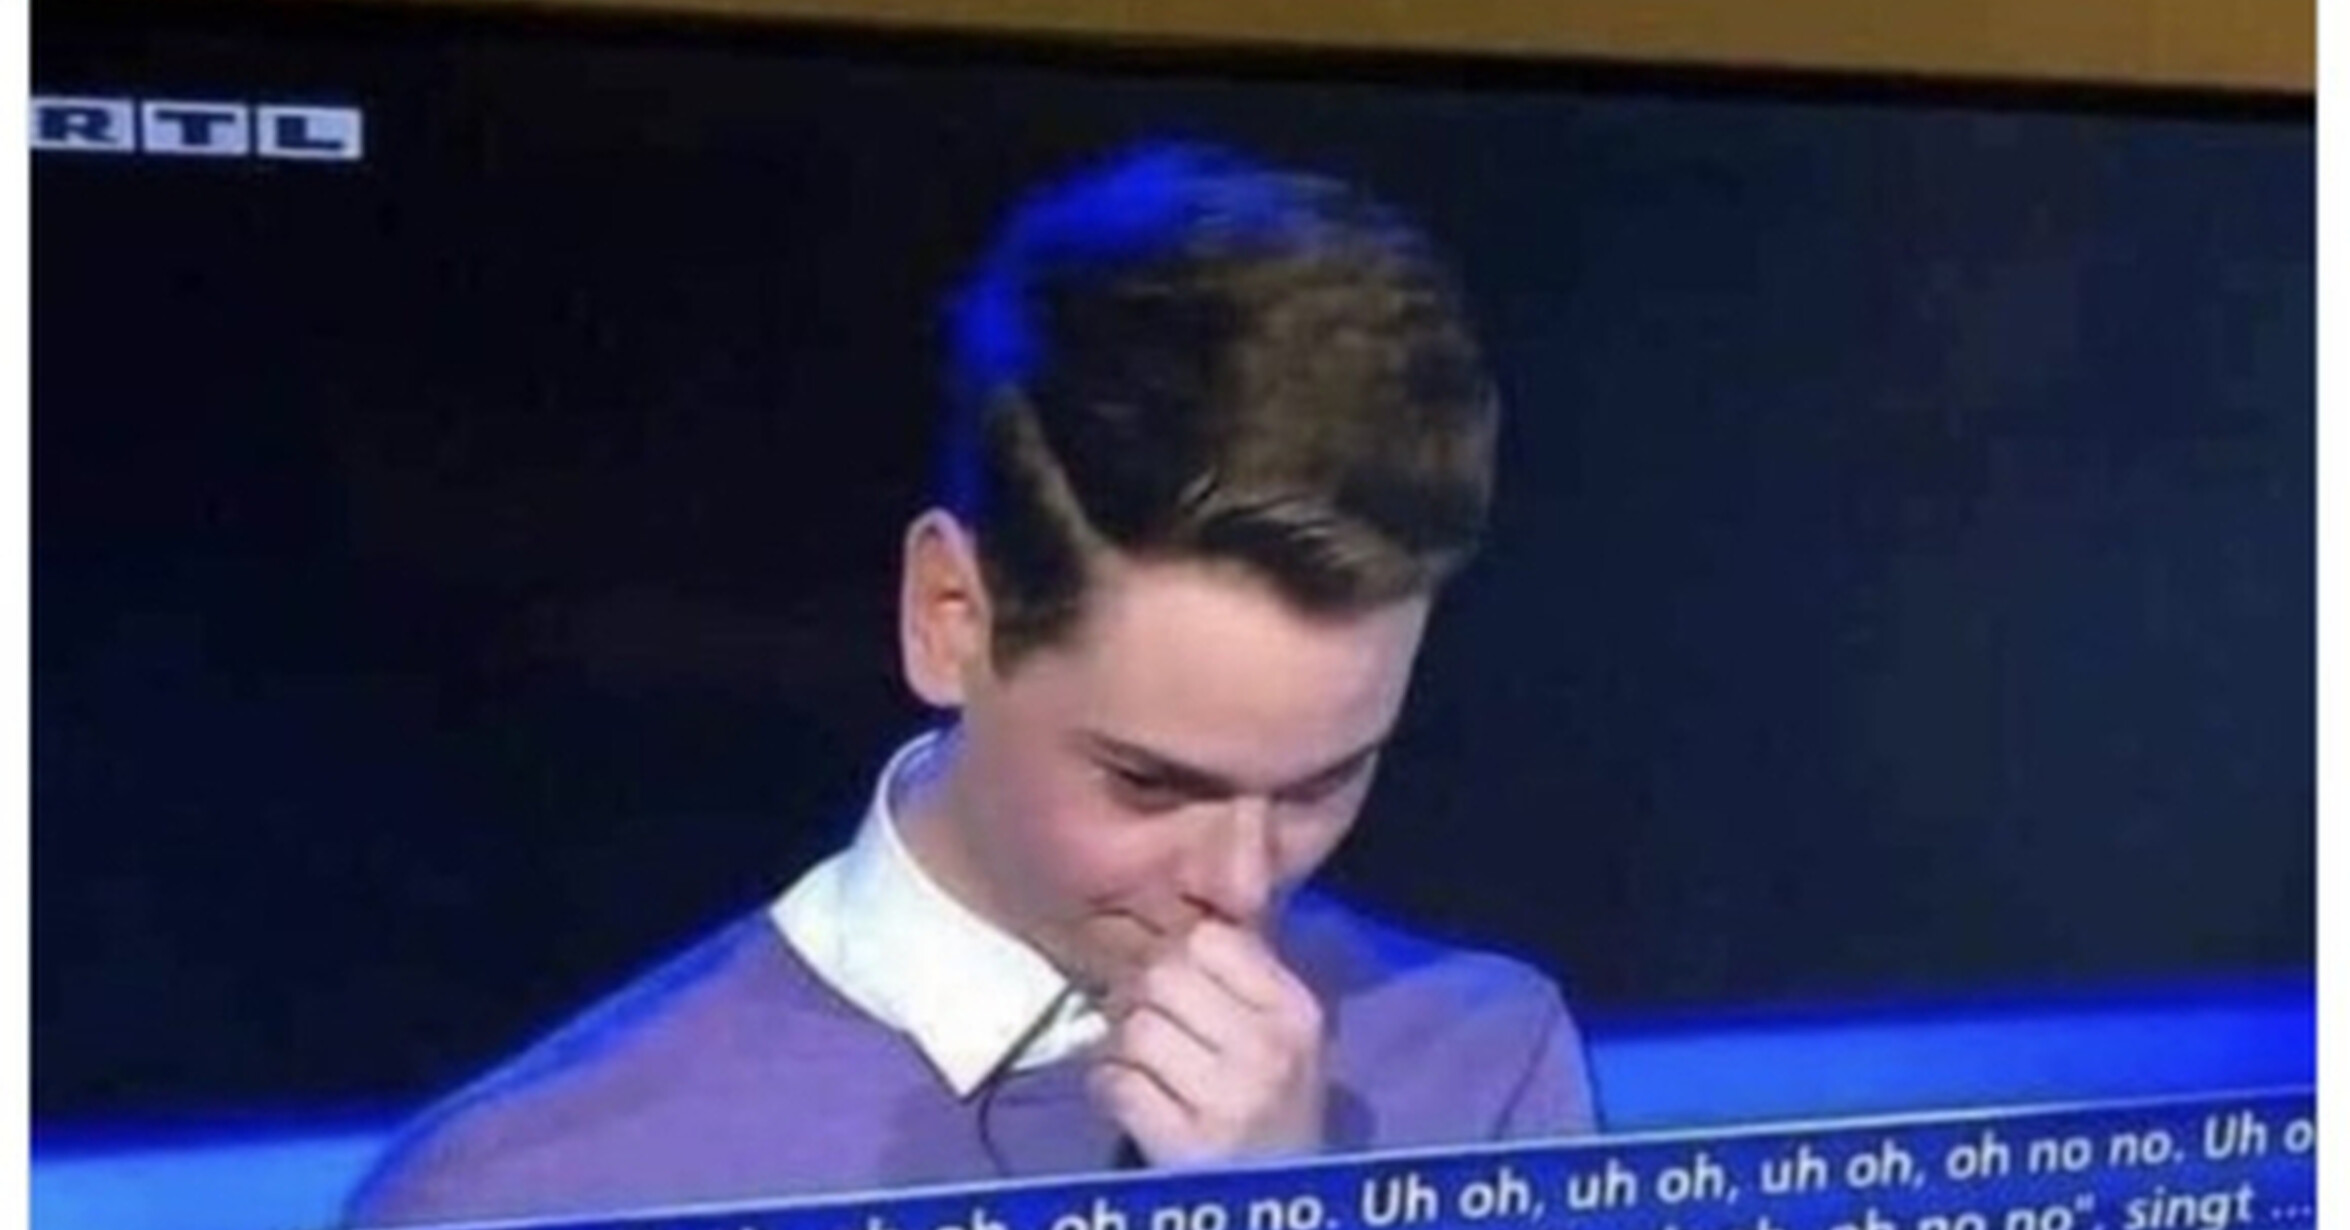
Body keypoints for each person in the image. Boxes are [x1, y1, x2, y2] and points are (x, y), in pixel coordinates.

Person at [345, 141, 1598, 1227]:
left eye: (1323, 784)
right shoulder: (529, 1190)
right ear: (949, 615)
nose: (1240, 884)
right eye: (1150, 783)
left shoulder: (1477, 1067)